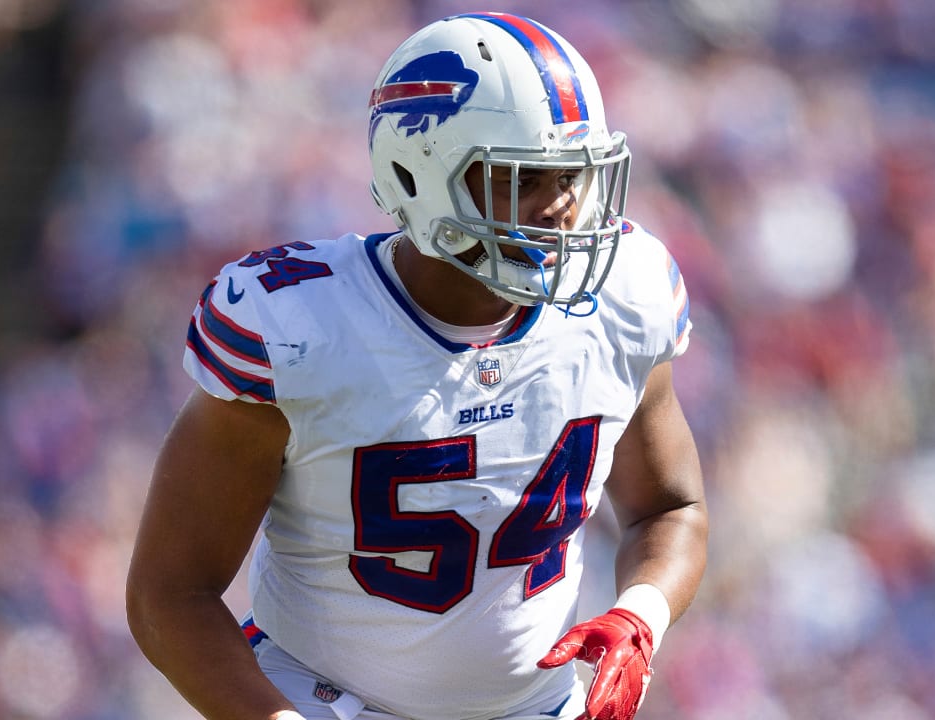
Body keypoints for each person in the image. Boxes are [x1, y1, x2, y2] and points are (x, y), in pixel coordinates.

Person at [126, 11, 708, 720]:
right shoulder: (302, 329)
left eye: (573, 178)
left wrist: (640, 616)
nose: (563, 207)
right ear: (419, 174)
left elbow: (670, 508)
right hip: (323, 703)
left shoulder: (626, 295)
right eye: (526, 179)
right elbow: (170, 593)